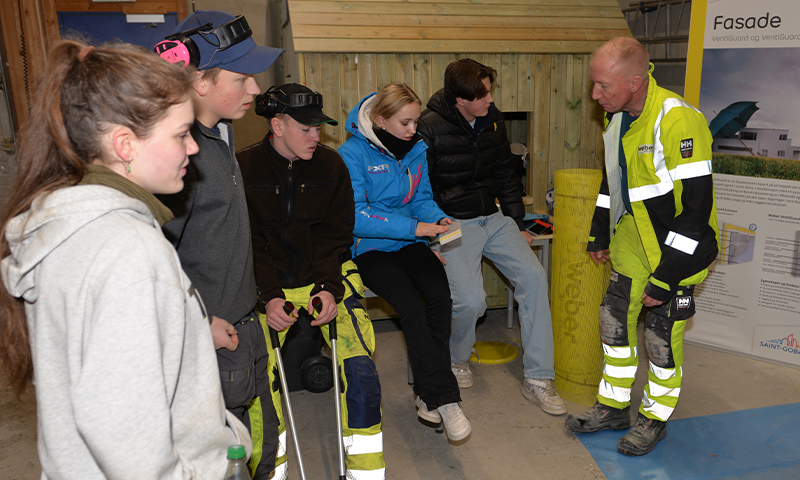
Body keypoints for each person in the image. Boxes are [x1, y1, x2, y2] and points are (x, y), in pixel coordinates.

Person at [0, 40, 252, 479]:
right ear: (125, 145)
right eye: (181, 135)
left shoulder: (69, 226)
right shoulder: (127, 251)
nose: (193, 149)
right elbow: (126, 437)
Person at [564, 37, 719, 456]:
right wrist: (599, 233)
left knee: (660, 337)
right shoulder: (617, 117)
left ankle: (654, 417)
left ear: (635, 82)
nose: (595, 95)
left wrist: (667, 277)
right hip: (634, 235)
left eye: (603, 85)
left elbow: (696, 209)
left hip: (680, 247)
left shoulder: (678, 120)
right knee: (613, 320)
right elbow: (613, 179)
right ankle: (614, 407)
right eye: (593, 84)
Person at [154, 10, 284, 479]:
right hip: (210, 334)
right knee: (219, 456)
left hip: (243, 321)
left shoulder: (216, 137)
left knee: (261, 440)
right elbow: (155, 261)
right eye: (242, 78)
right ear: (200, 81)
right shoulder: (179, 156)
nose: (255, 89)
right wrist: (198, 322)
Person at [237, 83, 385, 479]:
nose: (315, 136)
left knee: (361, 371)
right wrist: (268, 296)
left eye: (318, 127)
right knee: (257, 380)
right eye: (305, 128)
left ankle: (366, 474)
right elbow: (248, 242)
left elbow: (335, 236)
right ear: (277, 125)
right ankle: (272, 471)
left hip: (325, 274)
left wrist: (327, 288)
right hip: (267, 282)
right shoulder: (243, 167)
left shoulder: (331, 165)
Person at [417, 59, 567, 415]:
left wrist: (517, 223)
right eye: (482, 94)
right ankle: (457, 358)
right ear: (460, 99)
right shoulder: (428, 127)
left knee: (534, 278)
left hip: (494, 217)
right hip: (452, 223)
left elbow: (505, 173)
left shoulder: (493, 119)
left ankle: (539, 378)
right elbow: (419, 189)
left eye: (489, 91)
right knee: (471, 302)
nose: (490, 99)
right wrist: (428, 234)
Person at [338, 82, 472, 442]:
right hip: (370, 248)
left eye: (415, 122)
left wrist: (437, 218)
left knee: (440, 299)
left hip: (410, 240)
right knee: (411, 306)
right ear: (381, 121)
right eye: (406, 123)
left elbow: (421, 199)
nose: (414, 130)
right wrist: (414, 228)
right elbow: (356, 216)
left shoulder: (416, 149)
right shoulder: (351, 154)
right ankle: (444, 398)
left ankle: (428, 394)